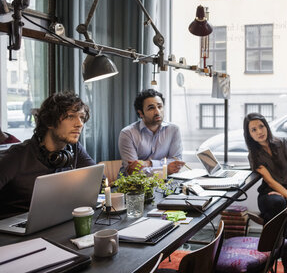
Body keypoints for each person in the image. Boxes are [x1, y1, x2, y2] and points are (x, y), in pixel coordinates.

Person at [0, 91, 96, 219]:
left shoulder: (74, 148)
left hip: (55, 222)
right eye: (70, 116)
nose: (79, 124)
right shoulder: (17, 156)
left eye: (82, 117)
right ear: (49, 122)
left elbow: (98, 183)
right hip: (15, 232)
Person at [243, 112, 287, 273]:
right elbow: (269, 181)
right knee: (278, 204)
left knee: (278, 208)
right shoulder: (254, 155)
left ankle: (268, 259)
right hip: (268, 197)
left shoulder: (286, 143)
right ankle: (285, 258)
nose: (259, 132)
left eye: (261, 126)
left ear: (267, 126)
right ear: (249, 134)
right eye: (253, 130)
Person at [118, 89, 185, 177]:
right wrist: (165, 170)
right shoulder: (127, 133)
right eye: (151, 108)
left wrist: (148, 163)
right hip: (133, 186)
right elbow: (133, 171)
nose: (157, 112)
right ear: (140, 113)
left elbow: (176, 162)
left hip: (164, 184)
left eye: (160, 106)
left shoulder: (173, 130)